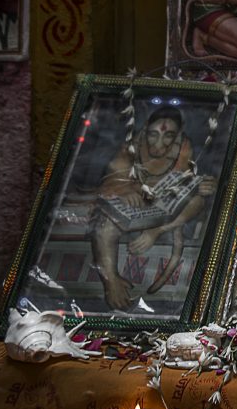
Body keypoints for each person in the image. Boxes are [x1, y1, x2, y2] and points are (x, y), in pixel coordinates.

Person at [90, 106, 216, 311]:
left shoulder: (183, 148)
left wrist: (202, 186)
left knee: (198, 200)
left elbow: (187, 183)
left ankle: (155, 231)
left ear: (178, 136)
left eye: (168, 136)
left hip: (163, 209)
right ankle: (111, 281)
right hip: (132, 206)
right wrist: (125, 190)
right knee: (105, 227)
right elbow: (110, 182)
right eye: (153, 135)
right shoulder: (131, 149)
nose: (159, 144)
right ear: (145, 130)